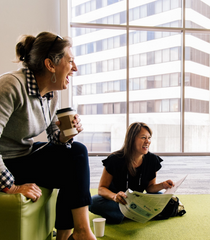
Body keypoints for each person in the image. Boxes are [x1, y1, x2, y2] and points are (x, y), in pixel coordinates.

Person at [0, 32, 96, 240]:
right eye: (70, 61)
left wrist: (64, 134)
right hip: (6, 163)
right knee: (75, 156)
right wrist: (11, 186)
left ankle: (68, 236)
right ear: (50, 65)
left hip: (23, 156)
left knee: (75, 152)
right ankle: (82, 234)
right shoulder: (11, 85)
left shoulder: (50, 94)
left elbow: (54, 137)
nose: (75, 68)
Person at [89, 122, 174, 224]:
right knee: (93, 201)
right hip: (118, 202)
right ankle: (138, 214)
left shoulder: (152, 160)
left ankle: (124, 215)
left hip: (138, 201)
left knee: (166, 199)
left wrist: (162, 185)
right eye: (143, 137)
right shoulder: (114, 159)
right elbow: (101, 189)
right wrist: (114, 197)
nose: (148, 141)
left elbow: (150, 188)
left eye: (149, 138)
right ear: (132, 139)